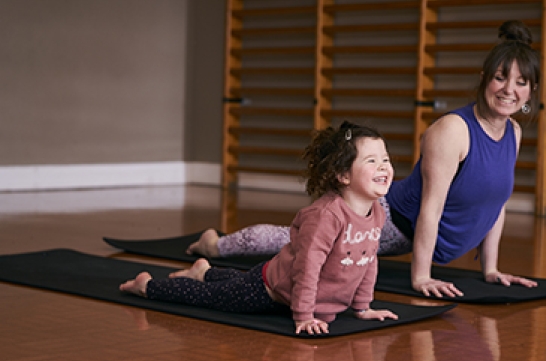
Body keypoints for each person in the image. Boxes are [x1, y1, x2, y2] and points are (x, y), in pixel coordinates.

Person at [186, 20, 540, 299]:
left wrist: (491, 271)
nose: (509, 90)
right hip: (387, 219)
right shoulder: (453, 131)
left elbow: (496, 203)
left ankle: (216, 245)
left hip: (407, 229)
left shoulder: (514, 133)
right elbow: (430, 209)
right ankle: (215, 245)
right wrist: (421, 277)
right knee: (297, 244)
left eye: (521, 82)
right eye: (500, 78)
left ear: (530, 91)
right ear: (484, 80)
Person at [120, 121, 398, 334]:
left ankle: (203, 271)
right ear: (343, 175)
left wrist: (363, 308)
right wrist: (303, 316)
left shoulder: (375, 212)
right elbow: (308, 266)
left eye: (385, 158)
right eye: (371, 161)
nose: (383, 166)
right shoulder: (327, 216)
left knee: (230, 282)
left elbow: (367, 260)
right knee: (209, 298)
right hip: (269, 289)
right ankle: (147, 286)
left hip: (292, 291)